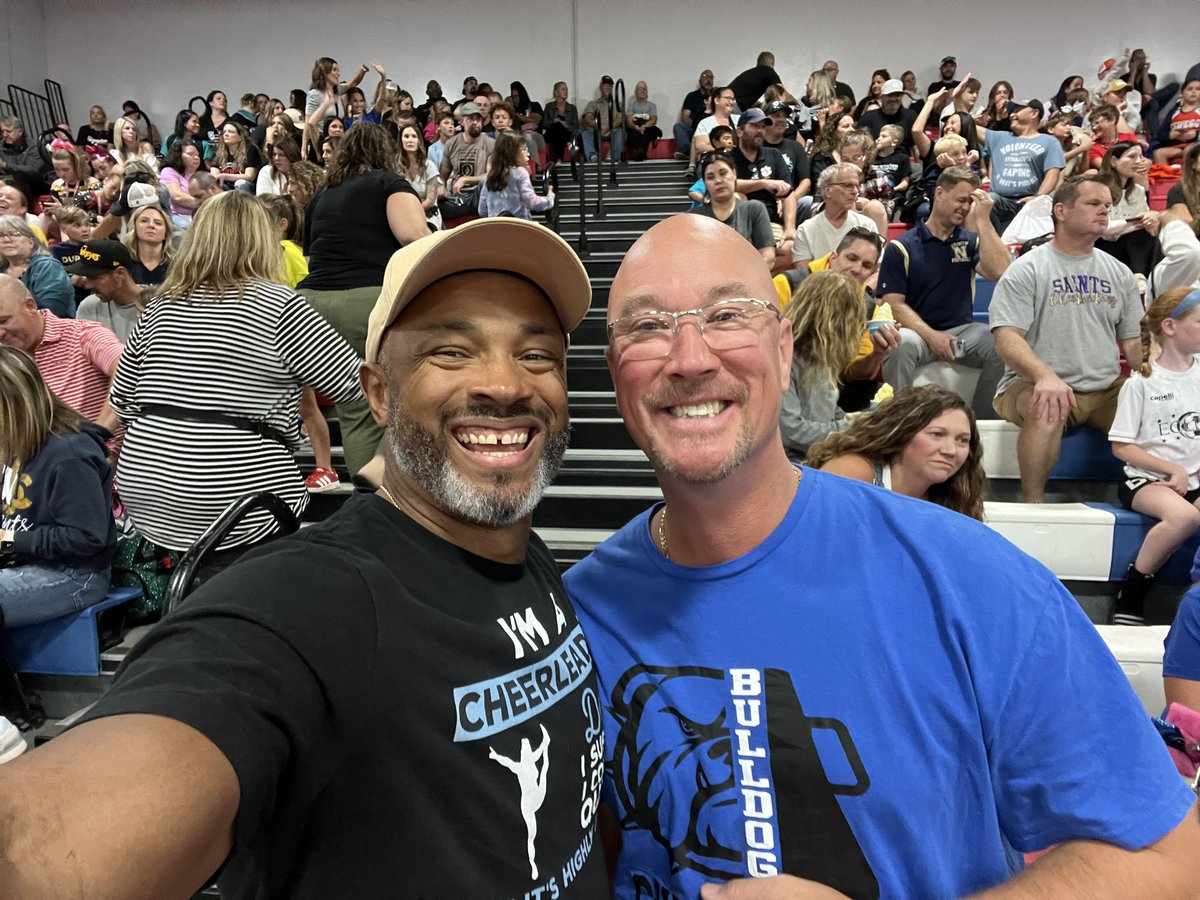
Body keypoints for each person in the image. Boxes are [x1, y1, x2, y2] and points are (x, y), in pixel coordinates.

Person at [563, 211, 1200, 897]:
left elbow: (1165, 858)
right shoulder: (572, 616)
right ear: (614, 373)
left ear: (784, 348)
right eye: (648, 327)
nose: (689, 357)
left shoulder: (966, 576)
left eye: (726, 315)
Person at [0, 217, 610, 897]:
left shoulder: (529, 557)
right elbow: (47, 844)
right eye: (450, 352)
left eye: (537, 356)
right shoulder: (307, 608)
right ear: (379, 392)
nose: (506, 384)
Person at [108, 192, 362, 561]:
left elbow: (121, 400)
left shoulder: (161, 305)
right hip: (236, 498)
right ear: (262, 239)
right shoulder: (279, 305)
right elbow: (354, 385)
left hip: (147, 489)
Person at [991, 176, 1143, 503]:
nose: (1104, 211)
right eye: (1093, 204)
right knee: (1046, 404)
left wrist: (1163, 381)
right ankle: (1033, 503)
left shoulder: (1120, 273)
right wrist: (1044, 376)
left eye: (1107, 206)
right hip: (1031, 383)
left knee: (1159, 409)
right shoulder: (1027, 269)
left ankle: (1160, 494)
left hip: (1104, 388)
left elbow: (1133, 344)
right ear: (1061, 211)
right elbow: (1006, 337)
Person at [301, 123, 427, 479]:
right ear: (383, 151)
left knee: (356, 404)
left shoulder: (323, 193)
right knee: (406, 395)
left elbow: (312, 257)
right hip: (367, 301)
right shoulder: (388, 183)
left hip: (311, 306)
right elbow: (415, 239)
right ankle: (382, 486)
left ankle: (366, 497)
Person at [878, 167, 1009, 418]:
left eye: (970, 202)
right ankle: (896, 422)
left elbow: (1001, 271)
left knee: (1001, 343)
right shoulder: (901, 247)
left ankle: (981, 423)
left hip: (962, 333)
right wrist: (932, 336)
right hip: (916, 332)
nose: (965, 207)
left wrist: (982, 220)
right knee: (899, 344)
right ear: (939, 193)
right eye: (961, 199)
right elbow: (894, 305)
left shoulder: (969, 241)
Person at [0, 345, 115, 626]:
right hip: (21, 561)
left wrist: (8, 540)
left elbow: (87, 538)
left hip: (74, 575)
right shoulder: (16, 441)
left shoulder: (69, 453)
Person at [1108, 287, 1200, 626]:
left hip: (1194, 479)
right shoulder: (1142, 382)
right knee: (1186, 518)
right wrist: (1170, 468)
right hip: (1147, 481)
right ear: (1171, 327)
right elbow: (1121, 446)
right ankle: (1132, 595)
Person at [806, 384, 985, 520]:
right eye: (937, 434)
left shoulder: (957, 494)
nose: (950, 451)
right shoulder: (852, 472)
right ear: (902, 433)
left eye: (962, 440)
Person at [0, 273, 120, 433]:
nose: (0, 333)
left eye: (3, 321)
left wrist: (99, 435)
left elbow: (127, 368)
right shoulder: (5, 355)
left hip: (97, 454)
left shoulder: (84, 334)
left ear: (30, 306)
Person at [778, 270, 868, 456]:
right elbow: (791, 432)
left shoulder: (824, 356)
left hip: (820, 454)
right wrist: (847, 427)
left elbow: (828, 410)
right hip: (792, 462)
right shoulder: (784, 357)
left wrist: (857, 420)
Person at [984, 99, 1065, 232]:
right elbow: (965, 124)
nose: (1011, 115)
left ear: (1034, 113)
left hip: (1031, 200)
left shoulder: (1049, 141)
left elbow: (1053, 173)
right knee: (988, 200)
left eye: (1017, 110)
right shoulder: (999, 137)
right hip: (1000, 201)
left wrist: (1037, 198)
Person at [688, 150, 773, 265]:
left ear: (734, 174)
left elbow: (768, 257)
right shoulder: (694, 218)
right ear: (705, 183)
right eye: (710, 177)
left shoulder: (754, 209)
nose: (718, 181)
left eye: (723, 173)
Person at [792, 163, 879, 269]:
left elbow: (876, 270)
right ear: (828, 191)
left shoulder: (867, 225)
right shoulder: (806, 230)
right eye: (848, 186)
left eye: (857, 186)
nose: (855, 191)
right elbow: (803, 277)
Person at [1095, 141, 1160, 276]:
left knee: (1150, 234)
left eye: (1141, 157)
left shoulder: (1138, 191)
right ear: (1113, 161)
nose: (1138, 161)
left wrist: (1152, 220)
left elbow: (1147, 227)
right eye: (1132, 157)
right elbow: (1101, 229)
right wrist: (1136, 223)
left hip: (1132, 248)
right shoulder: (1098, 188)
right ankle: (1139, 275)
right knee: (1140, 229)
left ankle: (1142, 277)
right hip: (1102, 246)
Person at [0, 216, 74, 318]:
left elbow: (53, 310)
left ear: (31, 242)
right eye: (1, 235)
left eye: (14, 234)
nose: (6, 240)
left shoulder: (47, 267)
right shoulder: (2, 270)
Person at [73, 239, 142, 342]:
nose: (87, 285)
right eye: (86, 277)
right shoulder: (88, 306)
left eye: (94, 277)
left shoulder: (157, 308)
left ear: (120, 274)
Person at [478, 132, 554, 221]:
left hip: (496, 230)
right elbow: (533, 203)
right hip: (519, 229)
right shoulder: (520, 173)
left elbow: (482, 211)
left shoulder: (488, 178)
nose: (528, 154)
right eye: (524, 149)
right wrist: (550, 198)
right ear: (514, 153)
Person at [438, 102, 494, 219]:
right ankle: (466, 209)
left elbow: (490, 175)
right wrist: (440, 188)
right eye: (471, 119)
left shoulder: (490, 144)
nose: (475, 122)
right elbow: (442, 177)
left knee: (487, 187)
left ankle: (467, 210)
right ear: (462, 121)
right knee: (437, 205)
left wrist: (465, 179)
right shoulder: (451, 144)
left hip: (479, 194)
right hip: (457, 196)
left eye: (478, 119)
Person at [856, 78, 920, 157]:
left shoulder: (911, 116)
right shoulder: (867, 118)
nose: (893, 99)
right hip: (875, 164)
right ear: (881, 97)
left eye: (897, 95)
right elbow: (859, 147)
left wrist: (919, 166)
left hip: (902, 165)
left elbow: (916, 147)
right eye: (889, 95)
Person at [397, 124, 443, 231]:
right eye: (406, 136)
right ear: (401, 141)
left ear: (419, 141)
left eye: (414, 136)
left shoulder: (429, 166)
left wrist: (412, 213)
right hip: (403, 215)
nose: (410, 140)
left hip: (428, 214)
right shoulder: (396, 167)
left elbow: (430, 200)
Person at [158, 140, 204, 230]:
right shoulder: (168, 171)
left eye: (198, 155)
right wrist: (205, 202)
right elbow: (177, 196)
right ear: (178, 156)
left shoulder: (200, 175)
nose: (196, 158)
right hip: (176, 215)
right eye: (191, 154)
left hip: (199, 215)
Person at [122, 205, 172, 286]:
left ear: (166, 233)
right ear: (134, 227)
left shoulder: (178, 266)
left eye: (158, 223)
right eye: (144, 221)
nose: (151, 225)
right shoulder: (123, 263)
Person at [1153, 78, 1200, 165]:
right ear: (1182, 93)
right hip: (1177, 147)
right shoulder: (1174, 112)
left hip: (1196, 145)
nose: (1194, 92)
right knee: (1158, 153)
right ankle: (1166, 177)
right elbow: (1159, 135)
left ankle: (1188, 178)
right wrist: (1170, 136)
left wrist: (1195, 134)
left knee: (1188, 150)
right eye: (1190, 89)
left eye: (1198, 89)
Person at [729, 51, 795, 112]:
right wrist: (797, 103)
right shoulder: (769, 72)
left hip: (726, 101)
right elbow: (783, 94)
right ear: (772, 63)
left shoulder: (750, 72)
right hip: (735, 105)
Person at [210, 121, 263, 193]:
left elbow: (249, 176)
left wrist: (224, 176)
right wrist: (220, 177)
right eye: (224, 132)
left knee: (240, 183)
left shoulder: (250, 149)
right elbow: (214, 175)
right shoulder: (218, 150)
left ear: (240, 137)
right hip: (225, 186)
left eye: (230, 132)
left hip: (246, 187)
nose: (226, 134)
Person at [581, 75, 625, 163]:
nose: (608, 88)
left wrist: (608, 126)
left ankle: (611, 157)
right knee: (585, 134)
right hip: (596, 130)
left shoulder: (618, 104)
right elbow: (588, 118)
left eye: (610, 86)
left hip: (612, 131)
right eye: (605, 85)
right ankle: (593, 157)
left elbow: (619, 119)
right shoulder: (593, 103)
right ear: (601, 87)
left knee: (621, 132)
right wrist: (598, 126)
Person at [675, 68, 715, 160]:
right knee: (679, 126)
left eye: (711, 77)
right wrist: (699, 126)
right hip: (695, 127)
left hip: (713, 128)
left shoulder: (716, 95)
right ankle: (686, 151)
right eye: (705, 76)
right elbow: (685, 117)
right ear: (700, 80)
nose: (708, 79)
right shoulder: (691, 96)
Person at [542, 82, 581, 164]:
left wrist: (564, 124)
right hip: (552, 134)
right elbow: (544, 124)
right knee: (557, 126)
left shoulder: (572, 108)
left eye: (566, 89)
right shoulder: (549, 107)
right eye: (563, 89)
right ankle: (559, 159)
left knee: (559, 128)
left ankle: (558, 160)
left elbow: (576, 126)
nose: (566, 91)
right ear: (556, 92)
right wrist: (554, 121)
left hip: (567, 133)